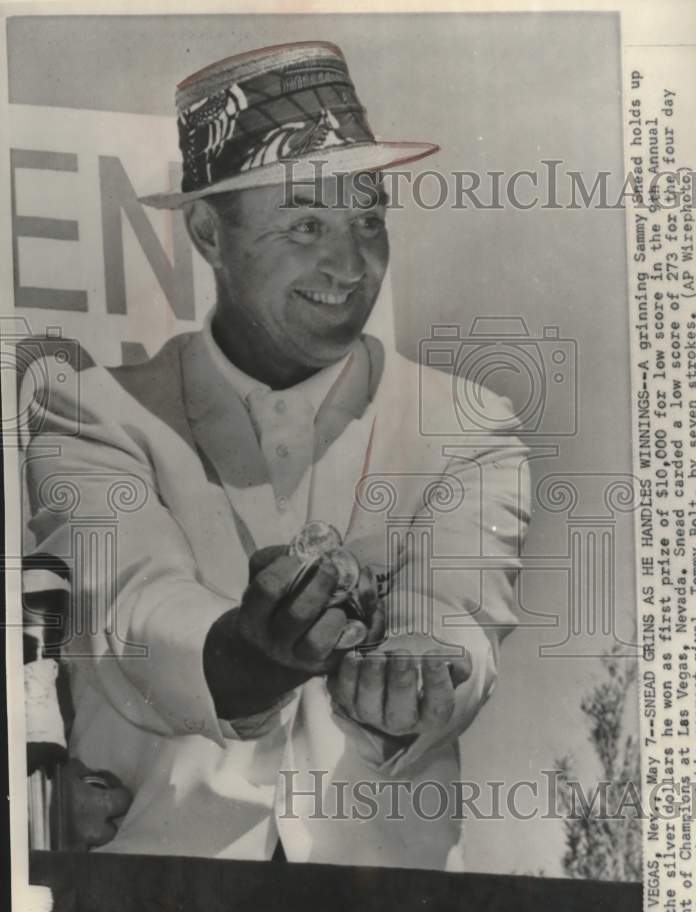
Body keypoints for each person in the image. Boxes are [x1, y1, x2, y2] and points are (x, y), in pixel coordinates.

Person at [21, 41, 530, 870]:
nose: (349, 262)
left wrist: (413, 675)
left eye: (368, 219)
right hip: (154, 906)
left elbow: (458, 614)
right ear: (206, 233)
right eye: (304, 225)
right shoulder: (88, 408)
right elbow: (133, 619)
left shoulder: (466, 422)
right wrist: (245, 656)